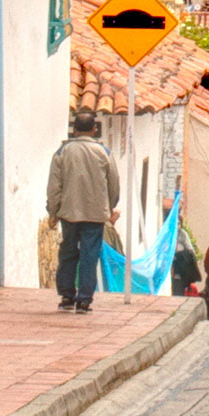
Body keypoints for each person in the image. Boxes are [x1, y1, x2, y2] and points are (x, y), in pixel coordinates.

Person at [47, 117, 120, 313]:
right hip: (95, 214)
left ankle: (67, 295)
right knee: (90, 255)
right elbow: (113, 184)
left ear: (75, 129)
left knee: (68, 252)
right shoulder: (104, 153)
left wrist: (53, 211)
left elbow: (54, 186)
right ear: (94, 129)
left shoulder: (63, 152)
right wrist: (110, 207)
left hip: (69, 213)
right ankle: (85, 299)